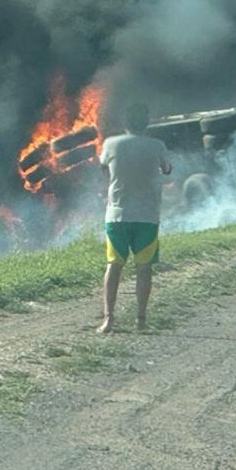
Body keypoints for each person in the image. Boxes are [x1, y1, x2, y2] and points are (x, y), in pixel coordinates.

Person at [96, 103, 172, 333]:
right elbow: (167, 169)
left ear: (125, 123)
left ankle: (108, 320)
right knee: (144, 267)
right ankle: (141, 320)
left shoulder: (111, 144)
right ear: (146, 123)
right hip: (147, 215)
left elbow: (103, 169)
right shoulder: (157, 145)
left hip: (117, 215)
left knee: (114, 265)